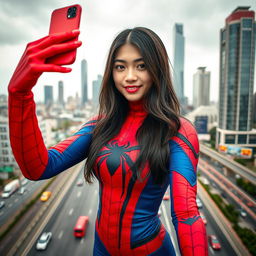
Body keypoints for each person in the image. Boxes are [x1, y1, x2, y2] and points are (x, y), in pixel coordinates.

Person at [8, 27, 208, 255]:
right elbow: (38, 168)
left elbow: (186, 215)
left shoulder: (178, 131)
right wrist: (19, 94)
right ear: (111, 73)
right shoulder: (99, 126)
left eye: (141, 66)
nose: (130, 76)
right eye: (120, 67)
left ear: (157, 70)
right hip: (101, 249)